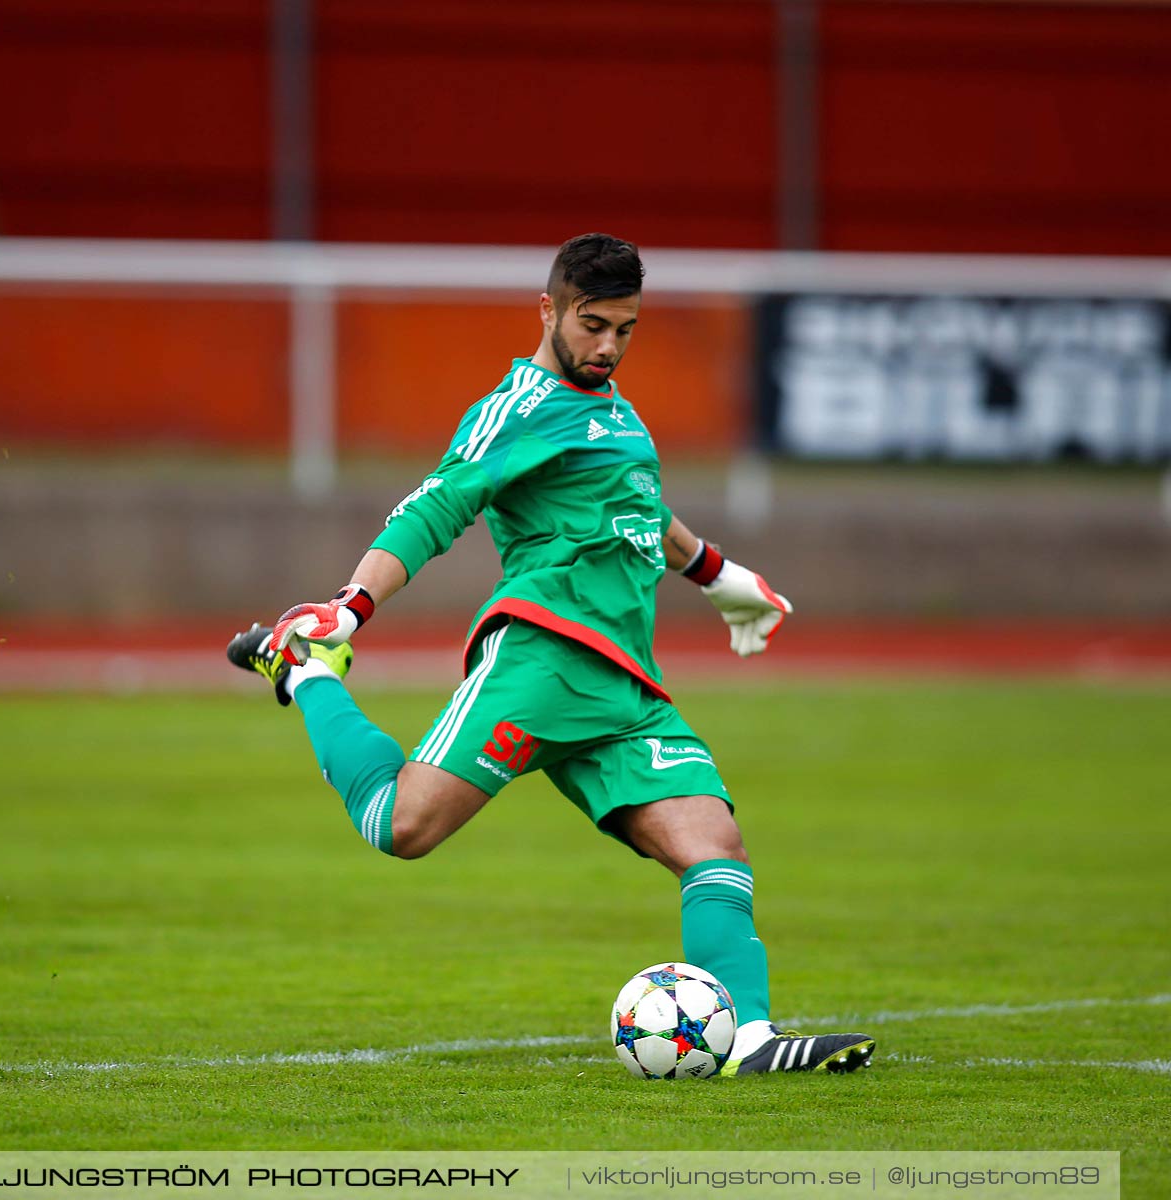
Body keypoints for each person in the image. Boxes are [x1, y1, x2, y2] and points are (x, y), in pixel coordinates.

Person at [228, 233, 873, 1077]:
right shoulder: (520, 406)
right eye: (593, 324)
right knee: (401, 826)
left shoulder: (618, 413)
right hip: (544, 660)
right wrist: (351, 608)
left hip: (626, 688)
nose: (608, 346)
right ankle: (306, 669)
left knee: (714, 843)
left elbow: (641, 511)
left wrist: (722, 576)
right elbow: (438, 504)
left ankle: (748, 1038)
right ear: (550, 310)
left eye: (626, 330)